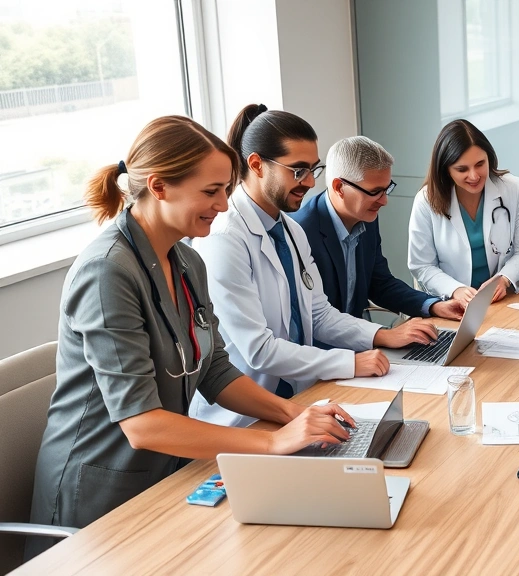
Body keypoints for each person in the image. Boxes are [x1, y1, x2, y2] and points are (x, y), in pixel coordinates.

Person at [28, 117, 357, 557]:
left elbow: (215, 370)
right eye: (210, 191)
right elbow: (142, 424)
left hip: (168, 475)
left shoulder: (185, 259)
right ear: (160, 187)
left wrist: (293, 415)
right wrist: (272, 442)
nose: (224, 205)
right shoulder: (107, 271)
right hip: (99, 500)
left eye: (225, 189)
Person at [190, 105, 437, 428]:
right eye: (297, 170)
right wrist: (350, 361)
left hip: (298, 400)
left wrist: (379, 335)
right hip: (243, 419)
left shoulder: (290, 231)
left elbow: (319, 314)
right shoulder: (224, 238)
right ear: (256, 165)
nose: (309, 182)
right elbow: (259, 350)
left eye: (313, 169)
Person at [293, 136, 464, 327]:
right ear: (339, 187)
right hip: (328, 352)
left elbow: (380, 284)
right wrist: (382, 337)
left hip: (359, 343)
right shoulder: (301, 232)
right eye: (375, 191)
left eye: (386, 189)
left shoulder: (366, 216)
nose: (384, 201)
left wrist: (433, 306)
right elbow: (310, 323)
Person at [408, 119, 519, 306]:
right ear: (446, 169)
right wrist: (455, 290)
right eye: (462, 169)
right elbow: (422, 265)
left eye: (480, 164)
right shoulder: (426, 200)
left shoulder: (512, 189)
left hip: (501, 300)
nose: (474, 176)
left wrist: (504, 278)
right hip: (451, 303)